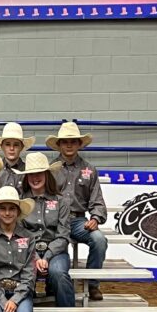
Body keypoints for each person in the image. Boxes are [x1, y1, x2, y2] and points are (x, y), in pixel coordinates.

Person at [15, 152, 77, 312]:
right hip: (26, 251)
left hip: (55, 250)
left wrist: (46, 256)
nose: (35, 178)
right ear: (26, 177)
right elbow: (19, 233)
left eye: (39, 173)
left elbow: (63, 234)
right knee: (19, 273)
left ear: (47, 175)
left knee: (59, 273)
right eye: (31, 174)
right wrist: (34, 256)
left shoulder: (62, 201)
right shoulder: (20, 202)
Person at [48, 121, 108, 301]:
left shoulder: (89, 170)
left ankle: (92, 284)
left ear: (79, 144)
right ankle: (53, 285)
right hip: (53, 221)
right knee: (49, 245)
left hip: (77, 221)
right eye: (65, 141)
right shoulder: (50, 169)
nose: (69, 145)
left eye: (73, 141)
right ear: (58, 144)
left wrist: (95, 218)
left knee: (99, 240)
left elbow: (97, 200)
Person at [0, 122, 35, 194]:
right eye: (7, 144)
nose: (11, 148)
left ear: (22, 147)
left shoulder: (28, 171)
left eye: (16, 145)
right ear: (2, 146)